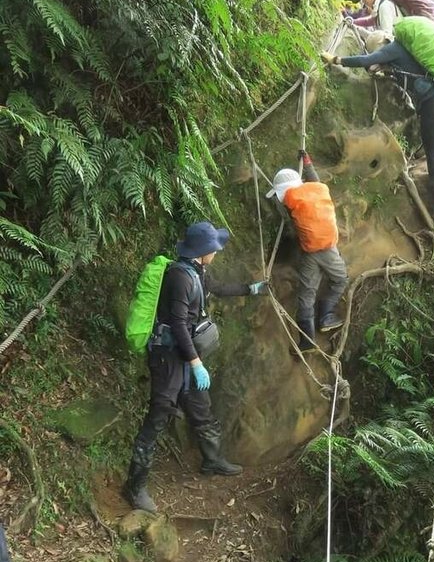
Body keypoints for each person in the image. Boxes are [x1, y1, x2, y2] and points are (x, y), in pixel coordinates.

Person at [123, 222, 268, 513]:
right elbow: (177, 324)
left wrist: (250, 289)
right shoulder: (180, 278)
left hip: (183, 354)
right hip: (167, 356)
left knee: (199, 404)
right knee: (159, 413)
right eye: (214, 247)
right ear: (204, 251)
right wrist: (196, 363)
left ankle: (212, 459)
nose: (217, 251)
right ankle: (135, 487)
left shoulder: (198, 272)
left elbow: (216, 288)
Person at [322, 33, 434, 219]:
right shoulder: (410, 51)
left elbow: (366, 60)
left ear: (379, 44)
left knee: (433, 153)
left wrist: (337, 59)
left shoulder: (393, 49)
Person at [266, 151, 347, 352]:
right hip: (329, 250)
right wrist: (308, 163)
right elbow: (315, 180)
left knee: (306, 295)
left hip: (310, 252)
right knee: (341, 280)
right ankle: (326, 314)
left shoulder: (288, 203)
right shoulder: (319, 190)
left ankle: (307, 341)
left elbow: (285, 212)